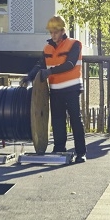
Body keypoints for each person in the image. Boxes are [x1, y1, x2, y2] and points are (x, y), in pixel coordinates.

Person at [24, 15, 87, 163]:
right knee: (58, 121)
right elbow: (41, 65)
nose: (53, 35)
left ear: (63, 30)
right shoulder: (47, 48)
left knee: (75, 121)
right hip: (56, 90)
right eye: (51, 32)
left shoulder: (74, 44)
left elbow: (70, 63)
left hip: (72, 88)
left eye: (56, 32)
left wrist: (50, 72)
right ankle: (59, 149)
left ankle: (81, 152)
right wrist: (29, 76)